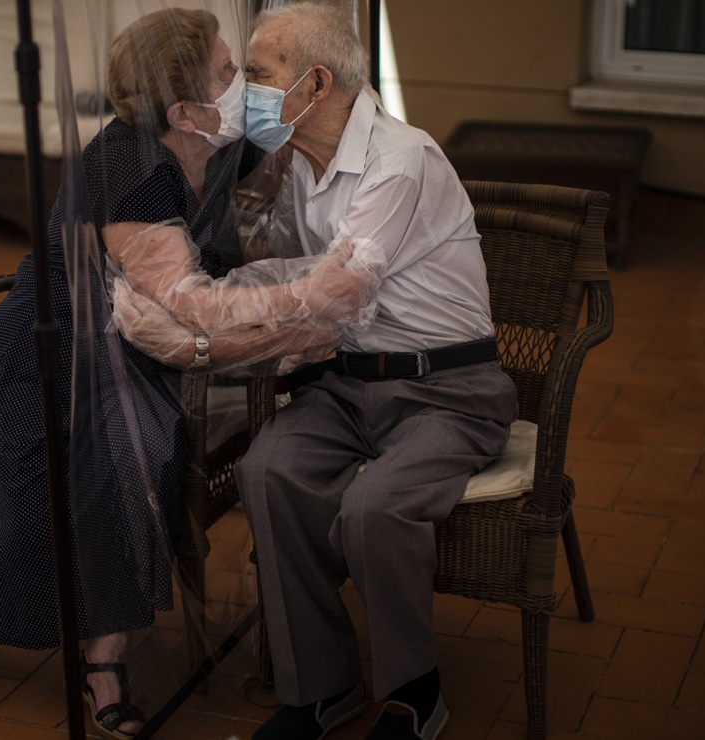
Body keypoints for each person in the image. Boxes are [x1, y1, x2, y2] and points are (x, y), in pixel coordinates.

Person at [0, 8, 367, 739]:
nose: (241, 84)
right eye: (227, 73)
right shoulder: (129, 171)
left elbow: (295, 121)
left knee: (139, 468)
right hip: (44, 361)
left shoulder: (211, 143)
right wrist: (312, 298)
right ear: (181, 110)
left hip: (134, 358)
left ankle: (104, 657)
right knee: (45, 499)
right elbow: (193, 304)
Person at [232, 4, 520, 740]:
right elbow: (291, 281)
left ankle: (413, 692)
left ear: (315, 81)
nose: (247, 90)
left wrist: (213, 313)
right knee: (267, 469)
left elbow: (335, 288)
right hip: (351, 383)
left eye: (259, 74)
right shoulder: (299, 162)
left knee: (374, 509)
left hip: (448, 392)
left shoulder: (401, 158)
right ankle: (321, 689)